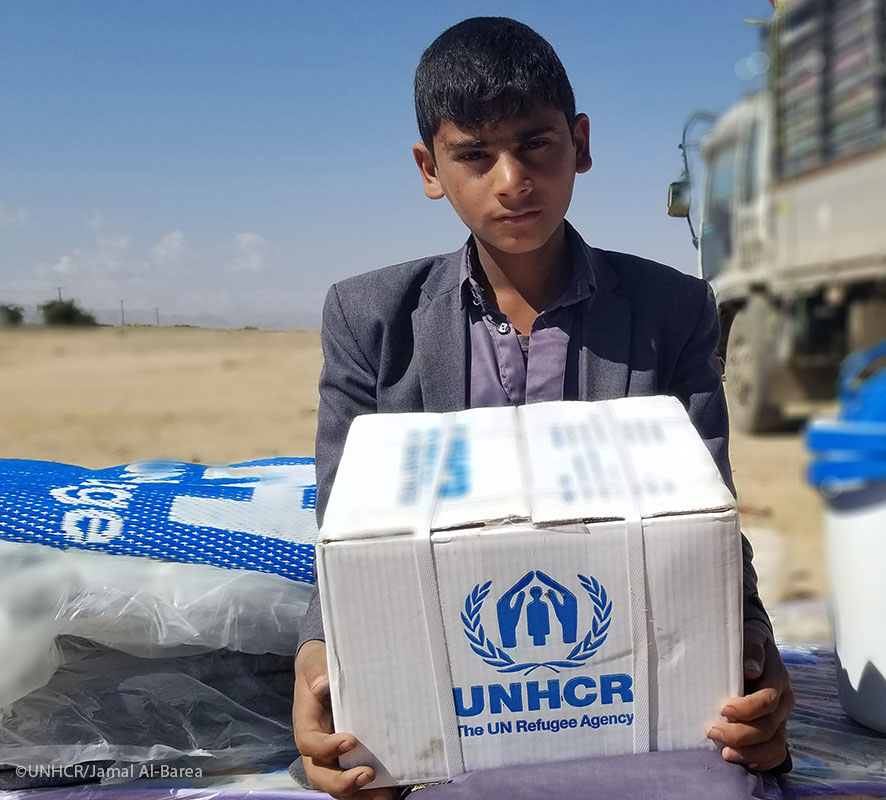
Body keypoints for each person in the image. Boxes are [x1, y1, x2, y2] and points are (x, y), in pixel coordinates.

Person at [291, 16, 794, 799]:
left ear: (580, 144)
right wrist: (320, 654)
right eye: (473, 156)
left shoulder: (673, 311)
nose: (511, 181)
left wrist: (753, 642)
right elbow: (346, 532)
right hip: (449, 691)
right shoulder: (371, 319)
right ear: (430, 168)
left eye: (534, 145)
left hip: (624, 683)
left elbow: (705, 517)